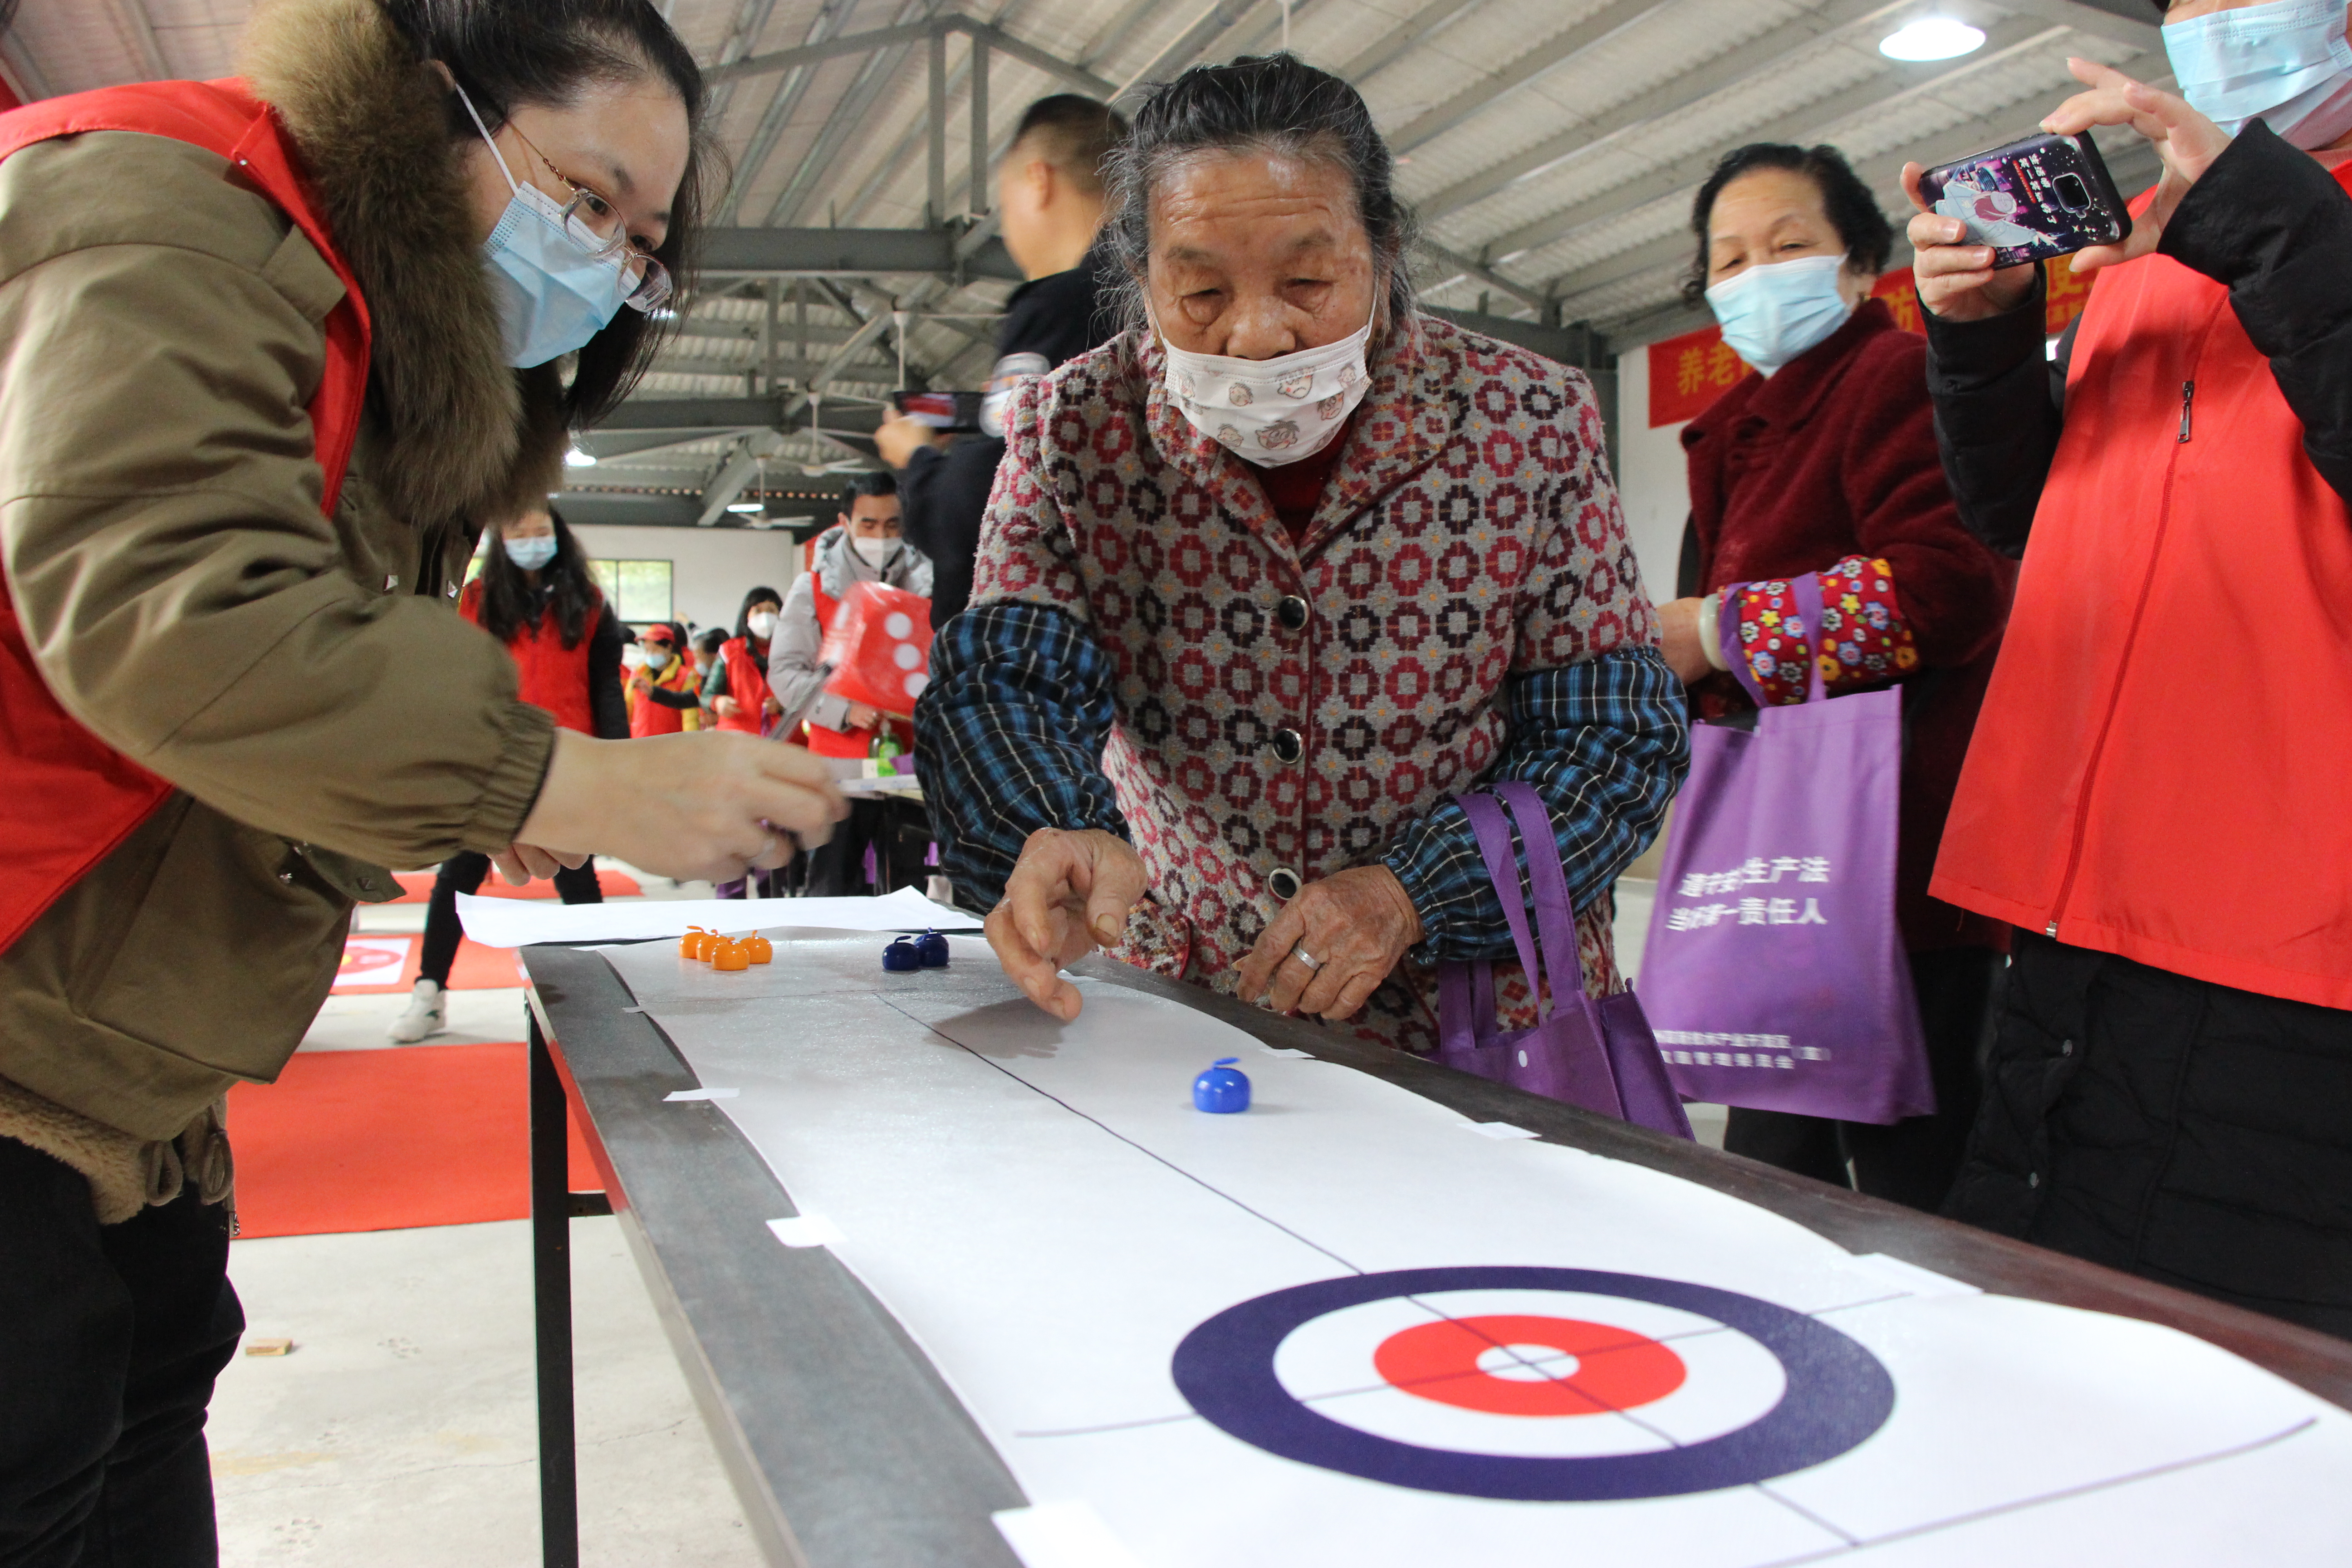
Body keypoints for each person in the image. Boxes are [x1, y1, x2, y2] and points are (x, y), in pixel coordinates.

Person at [0, 2, 847, 1558]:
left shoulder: (376, 363)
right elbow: (174, 613)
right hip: (29, 1029)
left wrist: (490, 793)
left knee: (134, 1410)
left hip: (120, 1072)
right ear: (429, 108)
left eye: (642, 244)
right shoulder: (175, 214)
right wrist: (553, 782)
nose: (608, 266)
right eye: (586, 201)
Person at [916, 54, 1685, 1049]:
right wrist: (1047, 826)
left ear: (1384, 249)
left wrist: (1414, 892)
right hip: (1196, 1009)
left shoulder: (1527, 417)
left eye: (1309, 282)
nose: (1258, 336)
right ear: (1139, 275)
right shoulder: (1071, 430)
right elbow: (1007, 679)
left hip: (1480, 1026)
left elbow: (1614, 738)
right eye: (1198, 294)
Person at [1906, 7, 2352, 1335]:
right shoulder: (2149, 247)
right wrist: (1980, 340)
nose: (2214, 23)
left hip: (2289, 948)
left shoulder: (2254, 225)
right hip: (2070, 915)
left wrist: (2268, 223)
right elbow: (2040, 525)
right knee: (2033, 1355)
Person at [1651, 143, 2015, 1211]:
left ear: (1857, 266)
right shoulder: (1734, 434)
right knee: (1772, 1174)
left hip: (1888, 867)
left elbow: (1945, 592)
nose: (1754, 273)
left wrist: (1721, 629)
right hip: (1783, 867)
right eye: (1727, 258)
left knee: (1915, 1187)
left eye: (1787, 244)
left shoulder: (1890, 378)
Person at [875, 94, 1128, 628]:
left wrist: (919, 465)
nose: (1005, 225)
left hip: (1036, 664)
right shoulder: (1152, 300)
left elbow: (987, 507)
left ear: (1038, 180)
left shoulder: (1067, 302)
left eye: (1004, 202)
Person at [390, 506, 620, 1042]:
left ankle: (609, 989)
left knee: (577, 876)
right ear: (501, 540)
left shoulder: (587, 604)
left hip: (568, 759)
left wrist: (615, 762)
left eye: (542, 532)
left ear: (558, 537)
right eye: (520, 533)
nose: (532, 541)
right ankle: (429, 991)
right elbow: (453, 681)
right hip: (490, 760)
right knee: (456, 878)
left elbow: (606, 686)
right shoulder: (475, 601)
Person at [770, 472, 935, 896]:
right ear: (845, 522)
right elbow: (785, 674)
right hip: (840, 770)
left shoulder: (930, 585)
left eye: (892, 525)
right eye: (868, 524)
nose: (881, 535)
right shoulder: (813, 588)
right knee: (832, 890)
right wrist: (843, 711)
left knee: (909, 894)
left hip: (910, 771)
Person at [705, 585, 783, 735]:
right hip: (737, 739)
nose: (765, 617)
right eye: (758, 611)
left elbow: (806, 696)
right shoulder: (729, 651)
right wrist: (718, 702)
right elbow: (707, 695)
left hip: (783, 738)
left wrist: (782, 706)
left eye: (771, 610)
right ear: (747, 616)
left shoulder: (792, 650)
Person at [629, 620, 703, 735]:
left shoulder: (684, 677)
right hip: (640, 744)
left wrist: (691, 745)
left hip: (671, 747)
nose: (650, 655)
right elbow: (628, 708)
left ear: (669, 647)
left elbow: (690, 719)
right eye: (648, 651)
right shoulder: (638, 675)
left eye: (655, 650)